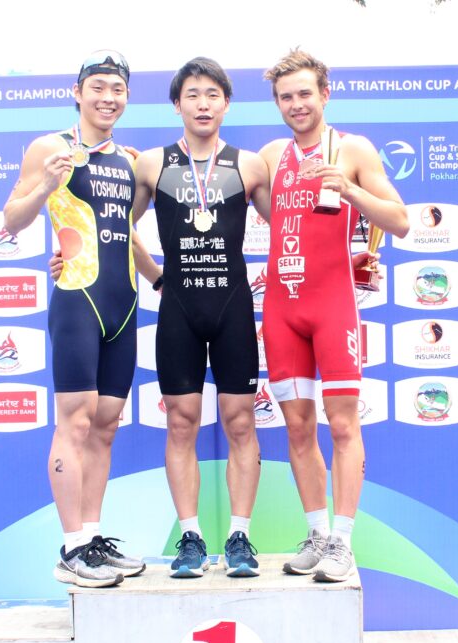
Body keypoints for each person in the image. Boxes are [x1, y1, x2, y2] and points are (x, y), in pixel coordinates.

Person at [51, 57, 271, 578]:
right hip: (179, 310)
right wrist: (78, 255)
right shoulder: (149, 164)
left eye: (212, 95)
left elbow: (290, 227)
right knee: (180, 422)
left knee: (242, 421)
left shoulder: (251, 165)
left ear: (226, 103)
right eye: (192, 95)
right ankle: (191, 537)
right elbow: (109, 225)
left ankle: (240, 536)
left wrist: (348, 258)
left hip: (232, 305)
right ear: (177, 105)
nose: (203, 104)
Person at [4, 50, 157, 588]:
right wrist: (45, 186)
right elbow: (12, 220)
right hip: (78, 300)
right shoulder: (50, 148)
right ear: (77, 92)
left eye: (117, 88)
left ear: (127, 96)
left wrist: (160, 280)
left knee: (106, 425)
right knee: (74, 422)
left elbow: (122, 232)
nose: (107, 97)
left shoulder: (130, 161)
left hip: (124, 303)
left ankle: (91, 538)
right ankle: (71, 549)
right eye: (98, 87)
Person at [258, 49, 410, 582]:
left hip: (332, 306)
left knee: (343, 424)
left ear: (325, 94)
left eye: (305, 93)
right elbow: (217, 187)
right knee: (297, 429)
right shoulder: (270, 155)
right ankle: (318, 534)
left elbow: (400, 220)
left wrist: (349, 189)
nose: (296, 104)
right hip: (282, 308)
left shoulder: (353, 149)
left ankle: (343, 543)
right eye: (286, 97)